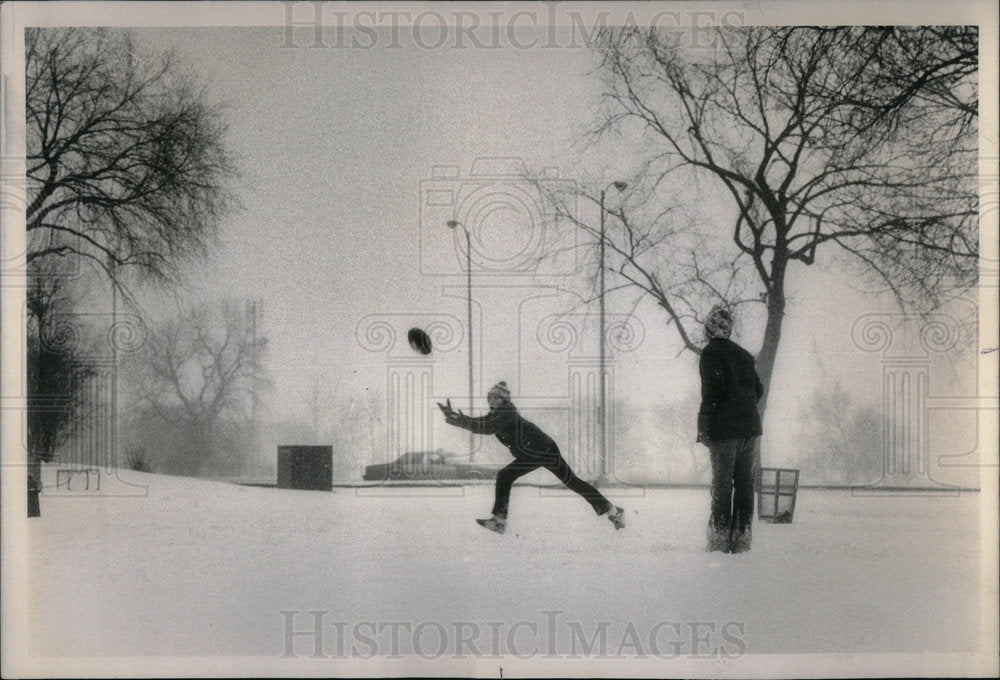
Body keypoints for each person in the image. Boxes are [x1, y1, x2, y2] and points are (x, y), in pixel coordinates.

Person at [438, 381, 625, 535]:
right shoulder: (497, 413)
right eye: (490, 397)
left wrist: (461, 421)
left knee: (508, 476)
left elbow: (488, 428)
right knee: (571, 482)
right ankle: (613, 511)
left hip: (542, 449)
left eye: (496, 397)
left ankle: (500, 521)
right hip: (534, 451)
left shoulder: (507, 413)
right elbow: (481, 422)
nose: (492, 400)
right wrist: (455, 417)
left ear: (504, 400)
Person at [696, 306, 764, 554]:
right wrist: (744, 405)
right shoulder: (744, 355)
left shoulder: (710, 353)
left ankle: (719, 540)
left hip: (724, 430)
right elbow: (758, 389)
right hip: (750, 427)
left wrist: (704, 424)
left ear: (709, 328)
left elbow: (711, 393)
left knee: (723, 485)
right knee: (745, 485)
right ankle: (742, 540)